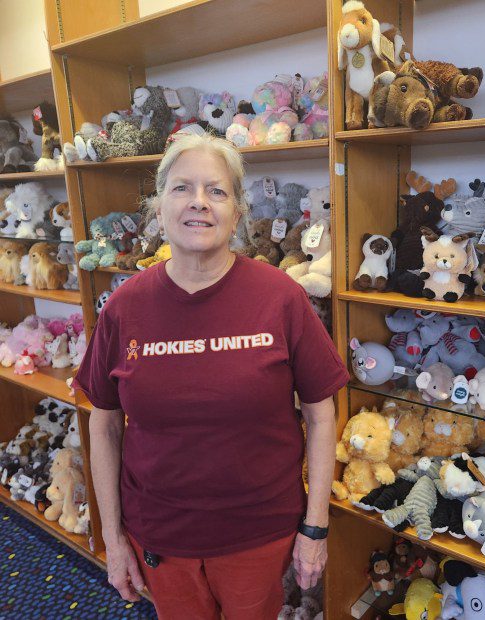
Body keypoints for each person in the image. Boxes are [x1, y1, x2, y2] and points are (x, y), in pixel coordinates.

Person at [74, 133, 349, 620]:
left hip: (259, 534)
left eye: (216, 191)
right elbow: (104, 423)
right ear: (158, 208)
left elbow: (321, 415)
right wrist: (113, 539)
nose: (199, 202)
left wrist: (315, 529)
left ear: (238, 213)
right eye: (182, 188)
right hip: (160, 534)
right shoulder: (124, 307)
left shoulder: (281, 296)